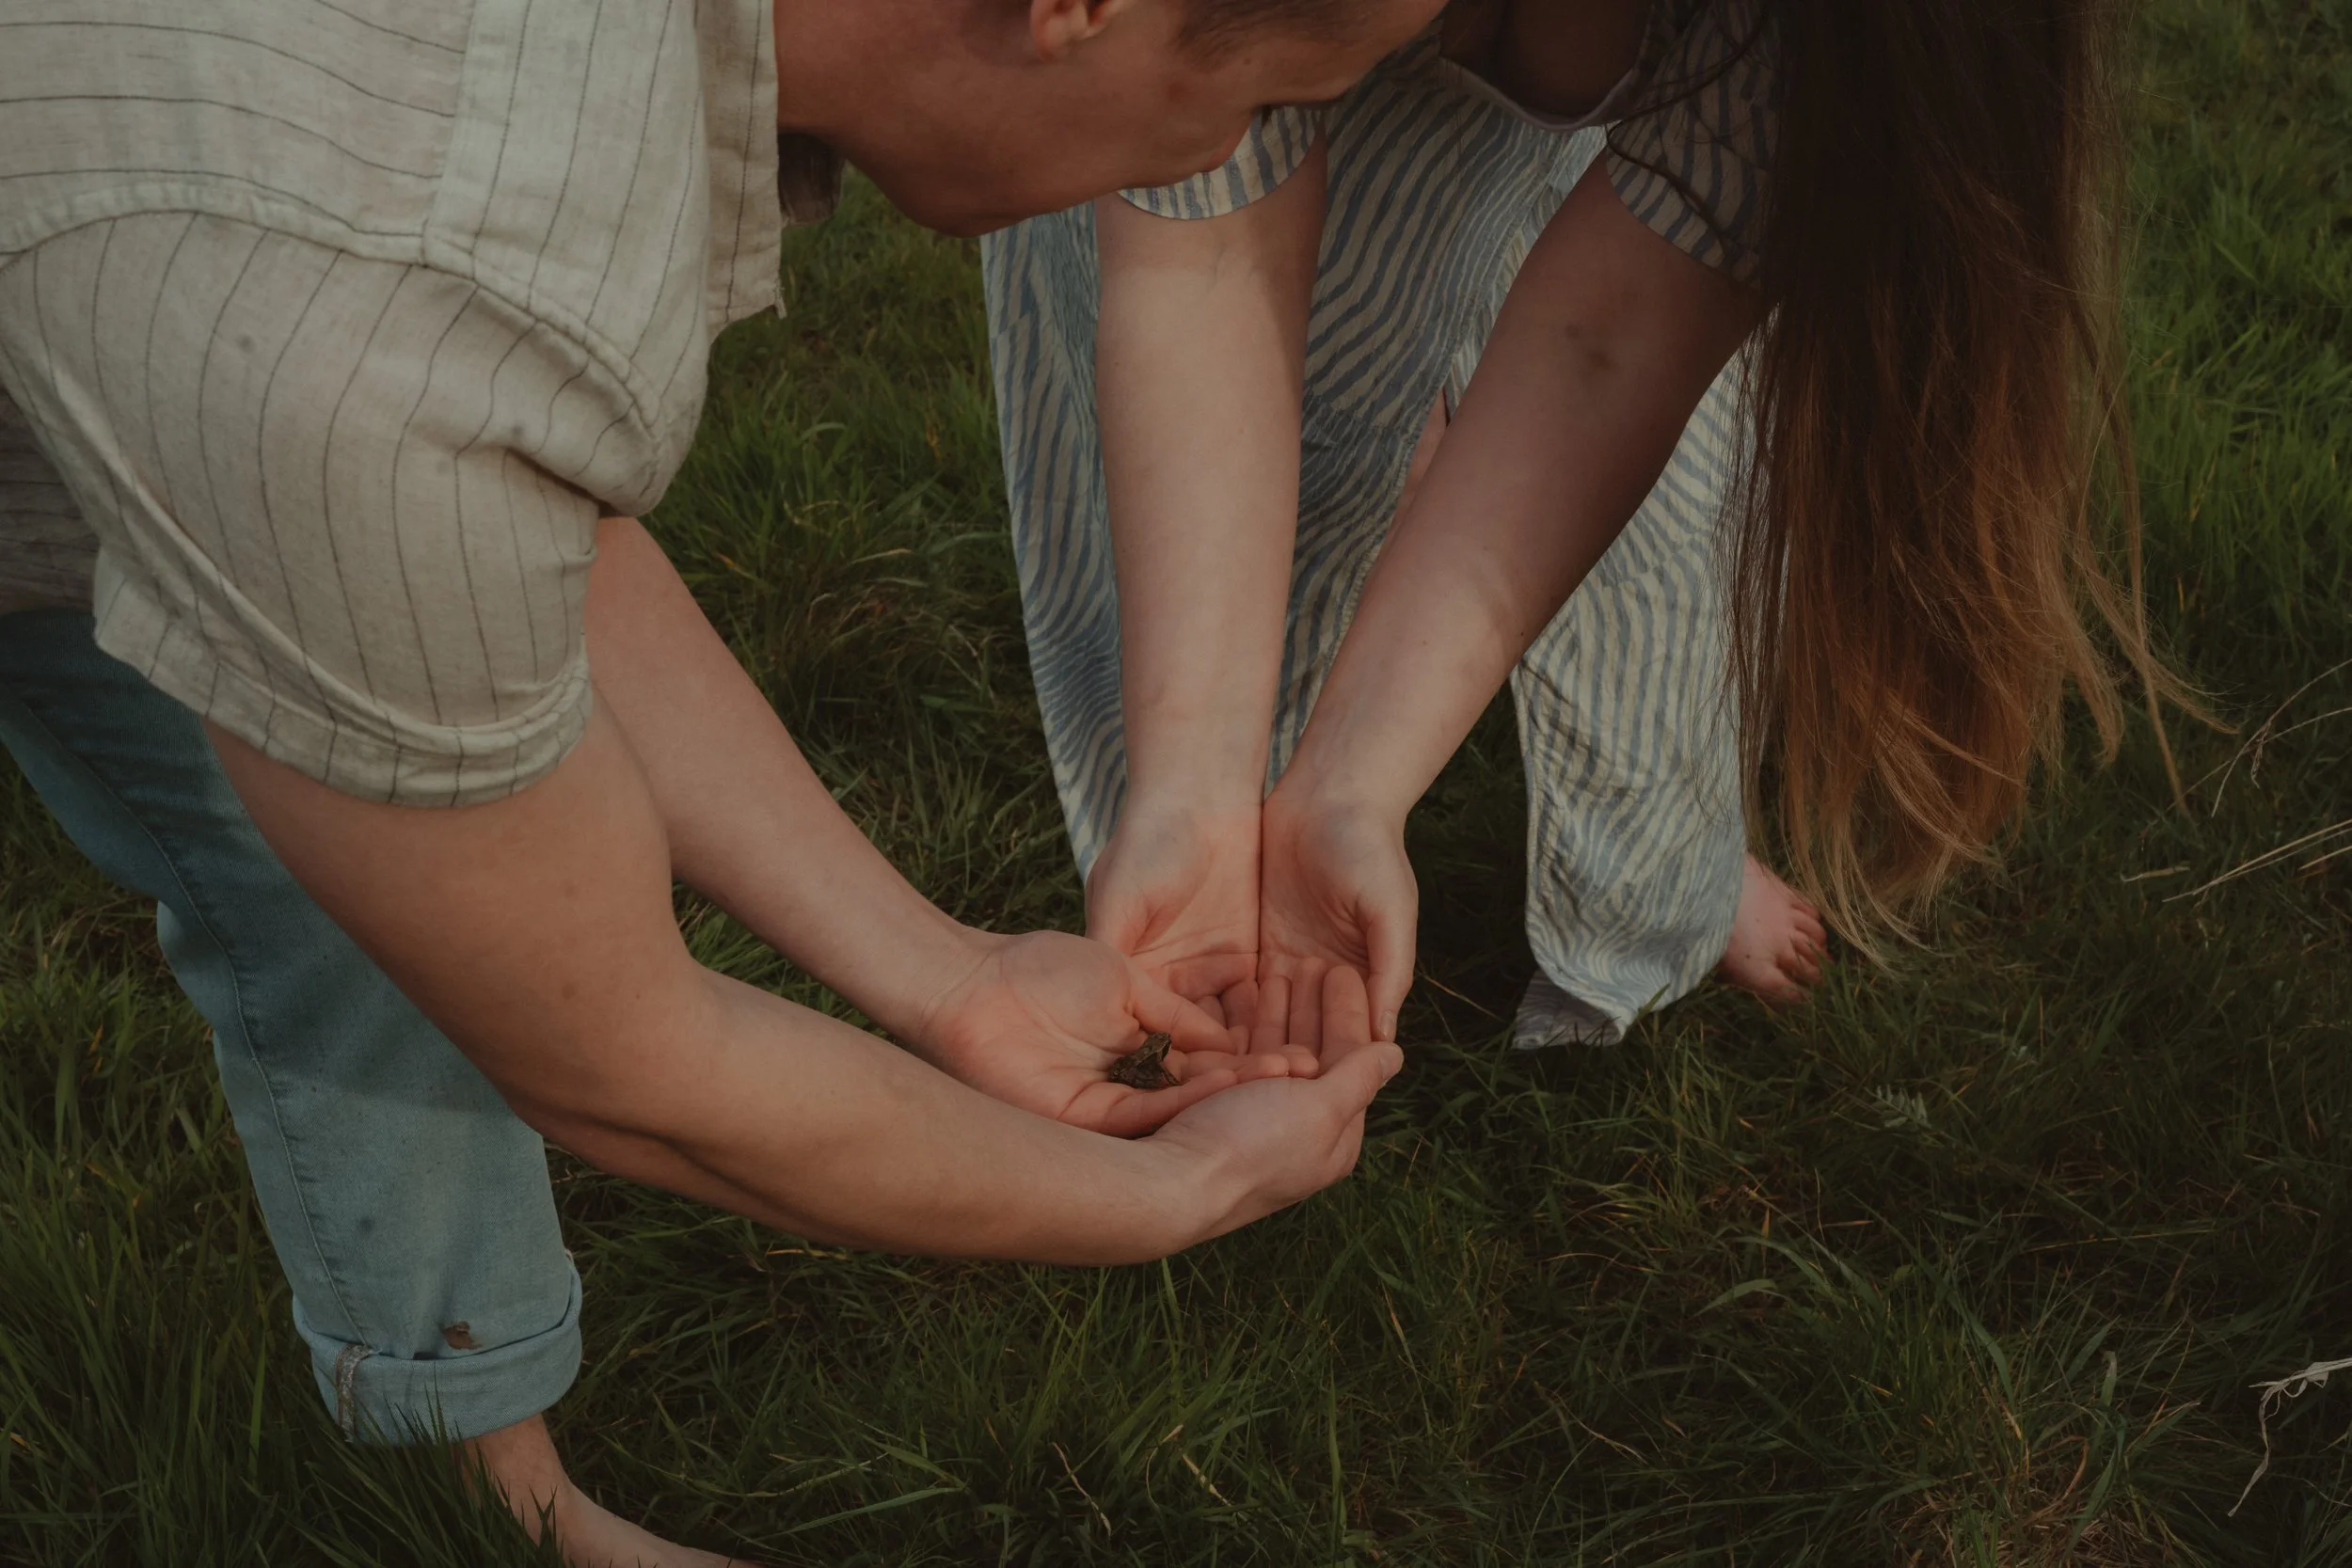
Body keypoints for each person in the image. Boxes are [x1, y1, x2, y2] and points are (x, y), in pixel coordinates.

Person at [0, 1, 1438, 1562]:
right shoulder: (406, 272)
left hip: (145, 310)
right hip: (190, 292)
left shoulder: (491, 197)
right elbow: (619, 1061)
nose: (1224, 156)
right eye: (1263, 95)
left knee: (347, 838)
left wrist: (952, 980)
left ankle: (478, 1490)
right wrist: (1175, 1198)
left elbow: (497, 524)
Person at [982, 0, 2163, 1050]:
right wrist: (1190, 791)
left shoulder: (1798, 53)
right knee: (1301, 476)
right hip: (1214, 157)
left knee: (1647, 524)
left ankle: (1666, 862)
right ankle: (1229, 813)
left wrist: (1358, 787)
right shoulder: (1195, 50)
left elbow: (1603, 345)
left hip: (1614, 184)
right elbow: (1207, 251)